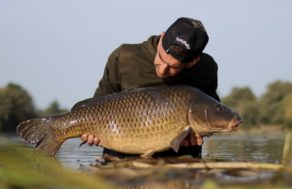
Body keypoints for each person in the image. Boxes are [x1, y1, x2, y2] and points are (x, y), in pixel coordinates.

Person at [81, 17, 220, 158]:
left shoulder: (206, 68)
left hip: (180, 160)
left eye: (173, 67)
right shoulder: (124, 57)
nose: (163, 70)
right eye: (161, 56)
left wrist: (202, 133)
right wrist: (90, 133)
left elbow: (212, 113)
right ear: (163, 36)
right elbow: (96, 106)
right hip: (121, 158)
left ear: (192, 62)